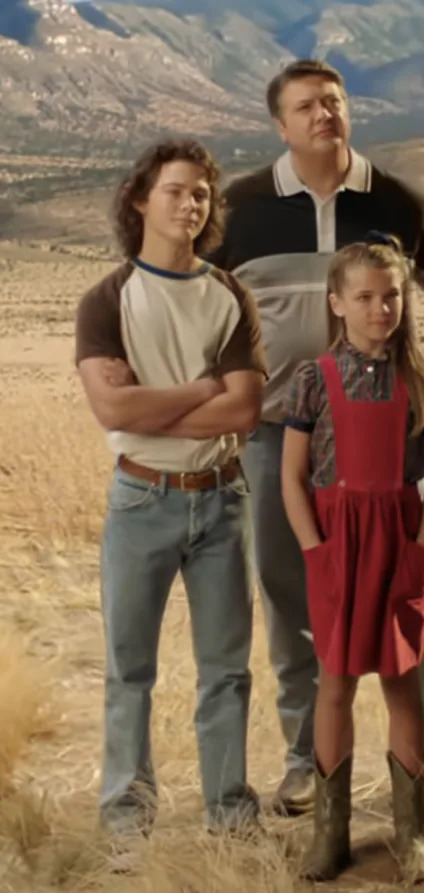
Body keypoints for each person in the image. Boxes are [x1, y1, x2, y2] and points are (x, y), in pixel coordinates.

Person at [209, 58, 424, 816]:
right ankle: (305, 760)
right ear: (279, 124)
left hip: (385, 436)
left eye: (333, 101)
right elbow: (201, 309)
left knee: (414, 593)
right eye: (305, 106)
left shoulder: (395, 200)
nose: (322, 114)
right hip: (275, 439)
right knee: (293, 591)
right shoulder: (241, 208)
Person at [74, 140, 267, 846]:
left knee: (226, 671)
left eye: (202, 195)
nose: (191, 204)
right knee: (130, 669)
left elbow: (245, 410)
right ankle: (127, 814)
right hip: (140, 500)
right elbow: (114, 413)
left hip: (221, 500)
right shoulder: (108, 299)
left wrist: (159, 401)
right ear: (140, 199)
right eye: (176, 191)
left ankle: (230, 811)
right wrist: (200, 388)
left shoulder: (228, 295)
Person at [281, 236, 424, 881]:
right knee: (335, 684)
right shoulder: (313, 380)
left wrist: (419, 553)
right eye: (365, 297)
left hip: (400, 540)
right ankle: (331, 833)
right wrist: (316, 553)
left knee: (403, 683)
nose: (381, 309)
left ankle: (413, 834)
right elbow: (292, 478)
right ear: (337, 303)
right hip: (336, 544)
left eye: (392, 296)